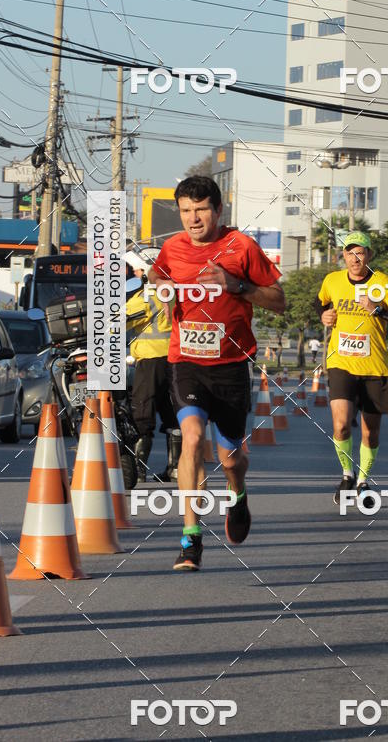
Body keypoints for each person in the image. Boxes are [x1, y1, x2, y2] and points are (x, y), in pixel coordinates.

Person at [148, 176, 285, 571]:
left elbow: (279, 300)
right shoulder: (171, 247)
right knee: (190, 439)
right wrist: (162, 286)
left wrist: (236, 285)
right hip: (185, 362)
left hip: (230, 366)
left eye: (201, 210)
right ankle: (191, 539)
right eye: (186, 210)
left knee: (229, 460)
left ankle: (237, 494)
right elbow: (158, 276)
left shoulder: (240, 246)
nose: (193, 219)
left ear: (218, 210)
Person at [316, 231, 388, 506]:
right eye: (349, 253)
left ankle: (362, 480)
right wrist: (323, 314)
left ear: (369, 255)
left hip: (374, 367)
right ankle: (347, 474)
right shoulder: (332, 280)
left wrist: (378, 310)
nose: (354, 258)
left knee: (370, 432)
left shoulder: (382, 283)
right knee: (341, 424)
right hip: (340, 363)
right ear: (343, 256)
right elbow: (320, 302)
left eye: (360, 252)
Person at [124, 250, 180, 484]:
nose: (136, 275)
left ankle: (139, 470)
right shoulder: (175, 293)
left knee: (142, 412)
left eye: (138, 271)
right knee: (173, 414)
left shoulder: (146, 297)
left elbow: (117, 321)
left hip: (150, 361)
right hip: (176, 359)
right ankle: (175, 469)